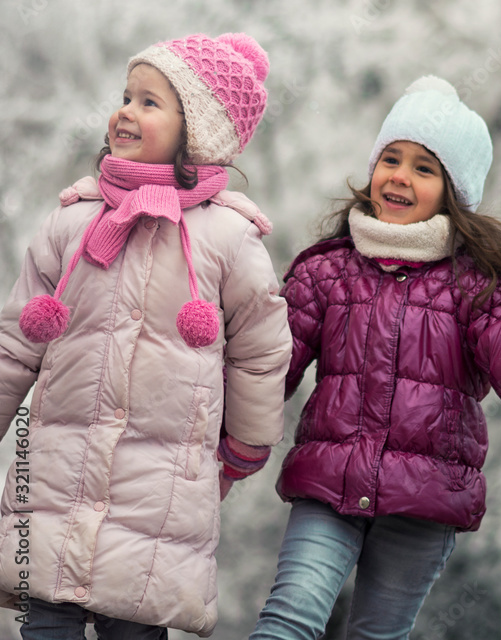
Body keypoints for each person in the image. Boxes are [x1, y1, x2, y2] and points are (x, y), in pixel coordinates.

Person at [249, 76, 501, 640]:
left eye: (424, 167)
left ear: (451, 191)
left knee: (376, 635)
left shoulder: (473, 286)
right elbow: (267, 364)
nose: (400, 176)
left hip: (423, 499)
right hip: (328, 486)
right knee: (288, 619)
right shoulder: (328, 272)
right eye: (392, 158)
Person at [0, 32, 292, 639]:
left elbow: (261, 349)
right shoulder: (73, 221)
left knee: (133, 628)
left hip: (158, 502)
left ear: (199, 133)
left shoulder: (226, 239)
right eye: (125, 96)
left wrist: (247, 440)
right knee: (44, 625)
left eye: (150, 102)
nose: (126, 111)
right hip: (58, 484)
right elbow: (16, 339)